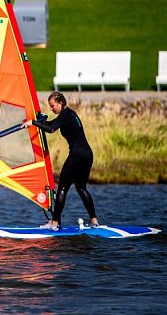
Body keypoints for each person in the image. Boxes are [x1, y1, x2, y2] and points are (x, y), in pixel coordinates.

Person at [24, 91, 98, 230]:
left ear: (60, 103)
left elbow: (51, 129)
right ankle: (94, 221)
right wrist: (39, 121)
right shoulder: (69, 114)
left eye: (53, 106)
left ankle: (54, 223)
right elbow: (51, 124)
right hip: (88, 154)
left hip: (77, 155)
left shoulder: (65, 115)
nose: (51, 109)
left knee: (63, 188)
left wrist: (33, 122)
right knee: (81, 188)